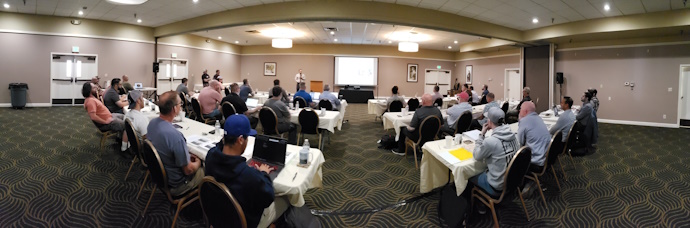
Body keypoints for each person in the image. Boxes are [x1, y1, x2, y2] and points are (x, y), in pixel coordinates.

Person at [205, 114, 289, 228]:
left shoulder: (210, 156)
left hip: (216, 217)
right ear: (240, 140)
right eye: (247, 138)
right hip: (243, 222)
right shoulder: (249, 176)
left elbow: (218, 147)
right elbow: (268, 197)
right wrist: (263, 173)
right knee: (286, 200)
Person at [147, 91, 204, 197]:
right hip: (177, 185)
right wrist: (199, 162)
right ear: (174, 108)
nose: (181, 106)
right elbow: (188, 170)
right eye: (180, 104)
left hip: (159, 177)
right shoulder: (176, 137)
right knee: (207, 170)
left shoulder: (152, 123)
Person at [470, 107, 520, 198]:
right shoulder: (513, 135)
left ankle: (480, 205)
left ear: (489, 121)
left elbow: (476, 155)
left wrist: (481, 135)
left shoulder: (491, 142)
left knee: (469, 176)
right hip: (512, 182)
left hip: (497, 185)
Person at [82, 82, 128, 152]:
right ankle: (124, 149)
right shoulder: (90, 101)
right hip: (105, 123)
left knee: (125, 117)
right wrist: (105, 122)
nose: (96, 89)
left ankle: (120, 138)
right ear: (89, 90)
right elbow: (93, 117)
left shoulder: (92, 98)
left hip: (109, 116)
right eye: (94, 88)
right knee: (128, 126)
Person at [517, 101, 551, 173]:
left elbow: (520, 142)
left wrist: (520, 120)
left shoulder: (524, 121)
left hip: (536, 162)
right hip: (546, 158)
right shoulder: (539, 118)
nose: (519, 111)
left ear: (525, 111)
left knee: (512, 160)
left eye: (520, 109)